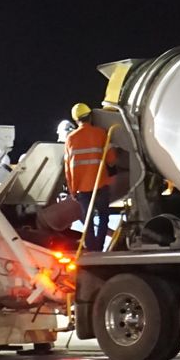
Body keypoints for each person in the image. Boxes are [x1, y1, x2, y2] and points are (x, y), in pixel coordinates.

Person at [63, 102, 114, 250]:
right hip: (101, 184)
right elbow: (111, 160)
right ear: (91, 116)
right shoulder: (101, 133)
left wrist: (72, 190)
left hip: (82, 188)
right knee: (104, 217)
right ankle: (99, 246)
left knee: (88, 220)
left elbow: (68, 168)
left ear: (75, 120)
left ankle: (92, 248)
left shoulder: (70, 138)